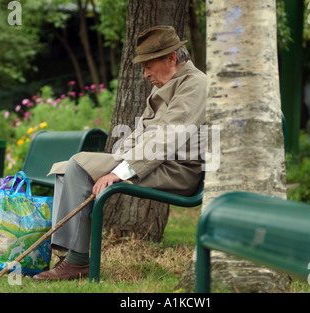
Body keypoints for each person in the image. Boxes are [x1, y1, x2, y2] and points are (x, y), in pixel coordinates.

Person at [33, 25, 207, 281]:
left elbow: (167, 139)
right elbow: (140, 133)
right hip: (155, 163)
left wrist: (118, 171)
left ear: (171, 59)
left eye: (149, 65)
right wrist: (117, 162)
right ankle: (71, 256)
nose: (146, 74)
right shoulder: (167, 83)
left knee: (78, 166)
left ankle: (78, 262)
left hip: (177, 171)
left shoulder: (195, 85)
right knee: (65, 169)